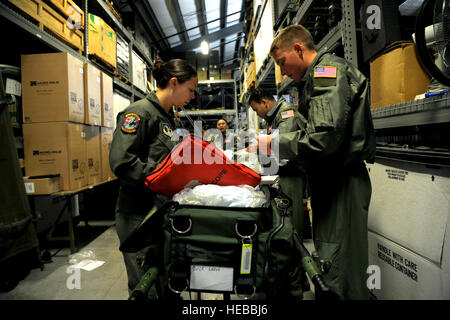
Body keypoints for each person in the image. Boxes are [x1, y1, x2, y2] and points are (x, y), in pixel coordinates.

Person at [257, 24, 376, 299]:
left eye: (282, 62)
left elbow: (322, 139)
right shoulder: (315, 80)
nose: (283, 71)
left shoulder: (326, 74)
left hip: (341, 183)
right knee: (333, 258)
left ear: (298, 49)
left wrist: (273, 143)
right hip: (331, 182)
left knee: (337, 266)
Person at [109, 59, 198, 298]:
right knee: (146, 288)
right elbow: (121, 161)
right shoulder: (139, 113)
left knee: (167, 282)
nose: (192, 96)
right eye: (190, 89)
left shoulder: (171, 119)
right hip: (138, 216)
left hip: (161, 212)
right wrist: (163, 176)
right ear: (173, 83)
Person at [248, 86, 309, 298]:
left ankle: (294, 287)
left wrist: (260, 148)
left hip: (290, 177)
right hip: (282, 176)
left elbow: (285, 150)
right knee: (282, 228)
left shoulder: (286, 115)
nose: (258, 114)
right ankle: (291, 281)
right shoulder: (275, 118)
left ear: (265, 102)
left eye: (257, 110)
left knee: (291, 230)